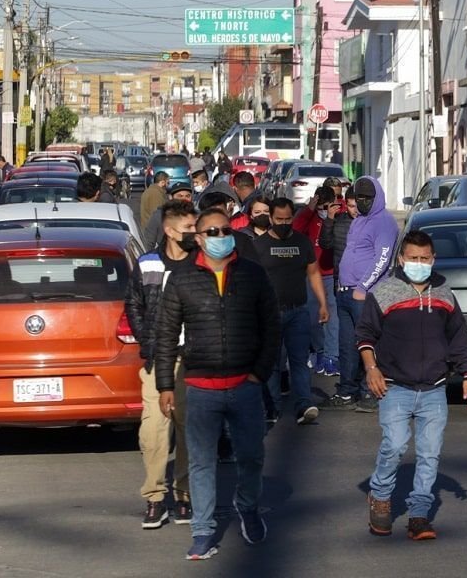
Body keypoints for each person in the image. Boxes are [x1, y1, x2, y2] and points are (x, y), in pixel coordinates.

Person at [154, 207, 282, 561]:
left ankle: (248, 507)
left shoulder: (252, 275)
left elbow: (272, 327)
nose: (220, 237)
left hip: (245, 384)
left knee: (252, 456)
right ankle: (203, 530)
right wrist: (166, 385)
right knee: (201, 462)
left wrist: (260, 372)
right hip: (200, 387)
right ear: (198, 238)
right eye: (212, 232)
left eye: (225, 230)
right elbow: (165, 335)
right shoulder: (181, 279)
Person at [360, 230, 467, 540]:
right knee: (395, 446)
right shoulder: (384, 293)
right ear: (401, 259)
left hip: (434, 388)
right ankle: (380, 496)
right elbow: (365, 336)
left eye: (425, 259)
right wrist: (371, 369)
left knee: (429, 454)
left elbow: (458, 337)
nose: (419, 263)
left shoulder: (444, 294)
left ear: (433, 259)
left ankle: (419, 515)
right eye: (412, 258)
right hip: (394, 386)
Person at [124, 200, 197, 530]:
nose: (194, 235)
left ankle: (184, 494)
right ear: (169, 231)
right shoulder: (147, 263)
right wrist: (148, 340)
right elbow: (133, 304)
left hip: (193, 360)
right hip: (159, 359)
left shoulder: (202, 264)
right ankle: (155, 498)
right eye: (188, 229)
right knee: (153, 429)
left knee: (187, 428)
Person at [324, 177, 399, 413]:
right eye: (360, 198)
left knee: (369, 344)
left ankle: (372, 391)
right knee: (347, 345)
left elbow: (382, 259)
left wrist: (362, 287)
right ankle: (347, 391)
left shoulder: (384, 222)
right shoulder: (359, 221)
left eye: (368, 198)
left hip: (365, 295)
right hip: (345, 291)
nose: (363, 202)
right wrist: (343, 284)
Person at [255, 197, 329, 426]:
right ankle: (273, 408)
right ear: (270, 218)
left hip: (298, 311)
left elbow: (314, 273)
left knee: (299, 361)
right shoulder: (259, 246)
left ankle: (304, 405)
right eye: (279, 219)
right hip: (271, 314)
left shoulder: (302, 242)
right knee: (274, 363)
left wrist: (323, 303)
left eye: (288, 219)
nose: (284, 223)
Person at [292, 186, 338, 376]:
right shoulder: (309, 216)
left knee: (333, 318)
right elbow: (294, 230)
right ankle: (318, 351)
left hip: (331, 274)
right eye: (320, 206)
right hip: (311, 275)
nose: (324, 210)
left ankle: (331, 357)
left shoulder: (338, 216)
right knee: (313, 318)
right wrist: (309, 209)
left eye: (327, 206)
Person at [318, 186, 355, 377]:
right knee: (341, 326)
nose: (354, 210)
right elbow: (325, 243)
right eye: (350, 206)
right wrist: (329, 219)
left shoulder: (369, 223)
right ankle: (337, 360)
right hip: (341, 282)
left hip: (365, 284)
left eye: (357, 205)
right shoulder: (339, 221)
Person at [198, 189, 259, 264]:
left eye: (221, 213)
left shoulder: (242, 241)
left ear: (227, 213)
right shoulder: (196, 243)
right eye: (212, 214)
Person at [144, 182, 194, 248]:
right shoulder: (159, 216)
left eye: (187, 196)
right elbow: (148, 242)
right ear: (171, 197)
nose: (184, 199)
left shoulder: (195, 217)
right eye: (180, 196)